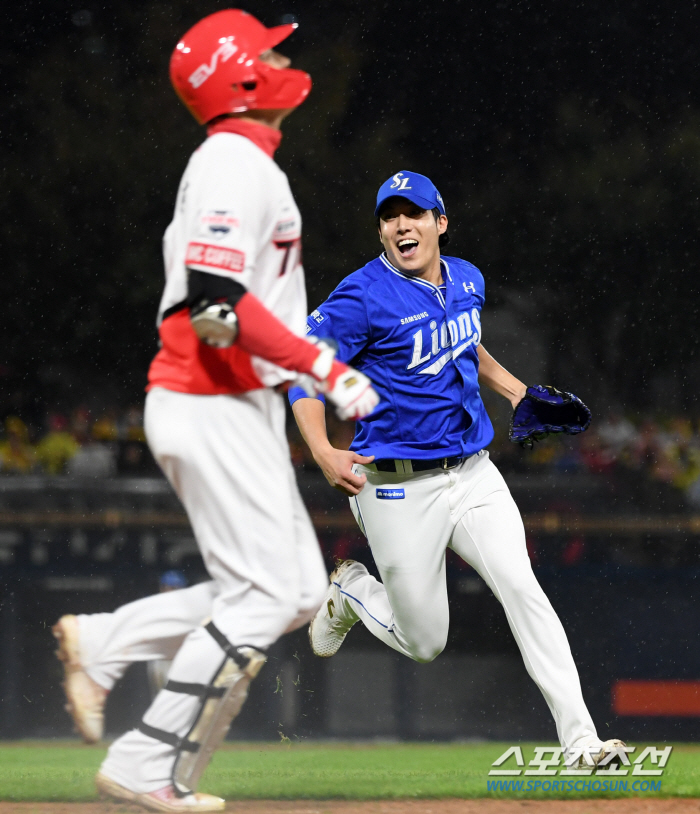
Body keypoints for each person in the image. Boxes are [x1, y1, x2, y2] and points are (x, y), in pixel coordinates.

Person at [52, 10, 377, 813]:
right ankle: (145, 761)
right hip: (208, 397)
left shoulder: (249, 162)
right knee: (266, 597)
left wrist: (309, 380)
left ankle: (106, 643)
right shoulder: (234, 159)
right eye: (265, 49)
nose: (281, 55)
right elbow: (213, 303)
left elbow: (261, 320)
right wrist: (323, 367)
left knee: (296, 590)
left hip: (233, 401)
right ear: (240, 75)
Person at [290, 170, 623, 767]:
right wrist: (320, 449)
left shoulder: (466, 278)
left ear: (439, 222)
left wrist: (519, 392)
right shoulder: (361, 295)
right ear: (383, 232)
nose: (400, 225)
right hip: (394, 486)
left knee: (523, 588)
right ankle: (351, 590)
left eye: (412, 213)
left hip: (472, 473)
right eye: (390, 217)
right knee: (425, 643)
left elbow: (466, 345)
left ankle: (582, 743)